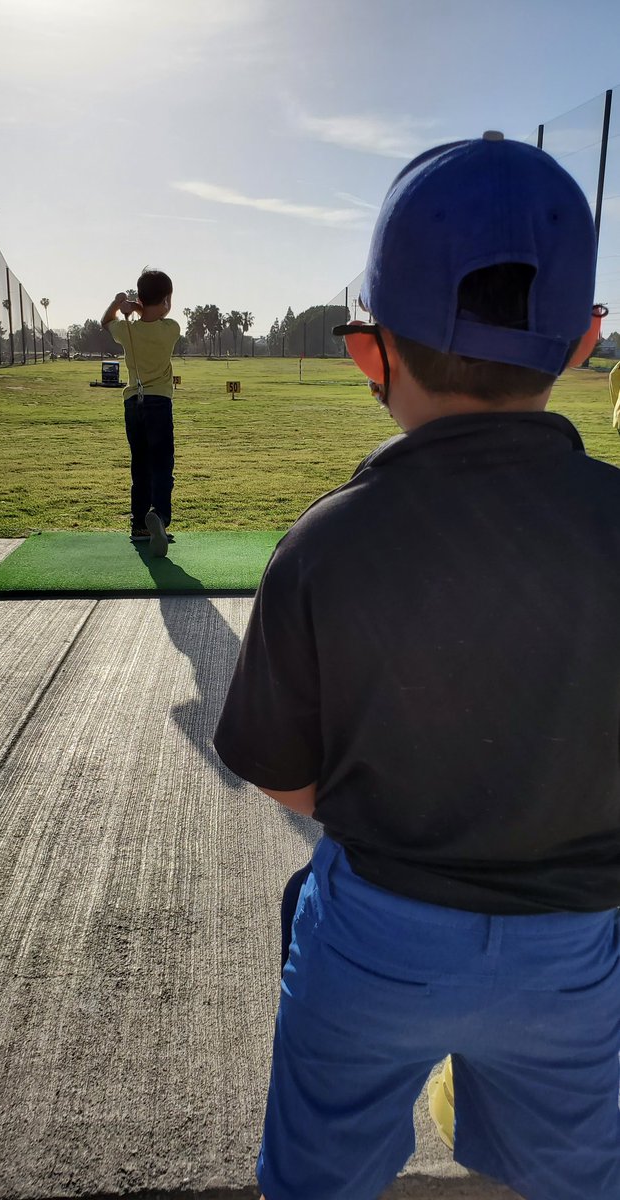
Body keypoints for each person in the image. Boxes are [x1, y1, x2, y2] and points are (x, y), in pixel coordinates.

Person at [213, 132, 620, 1200]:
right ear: (582, 343)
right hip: (576, 948)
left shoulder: (325, 542)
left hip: (378, 938)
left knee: (321, 1175)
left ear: (368, 350)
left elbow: (280, 768)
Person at [101, 268, 180, 557]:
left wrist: (122, 302)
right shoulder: (171, 329)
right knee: (162, 465)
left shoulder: (126, 330)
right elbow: (158, 318)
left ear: (142, 298)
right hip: (159, 403)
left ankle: (139, 525)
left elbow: (105, 321)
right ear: (167, 300)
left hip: (132, 404)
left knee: (140, 465)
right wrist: (138, 307)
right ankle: (159, 516)